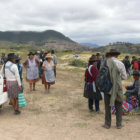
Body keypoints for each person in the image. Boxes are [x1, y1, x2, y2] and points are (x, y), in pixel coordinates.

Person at [103, 49, 127, 129]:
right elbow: (124, 77)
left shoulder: (105, 63)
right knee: (119, 105)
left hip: (107, 87)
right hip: (117, 88)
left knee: (107, 106)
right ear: (117, 55)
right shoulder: (121, 64)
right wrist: (117, 78)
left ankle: (107, 124)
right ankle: (119, 124)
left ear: (110, 55)